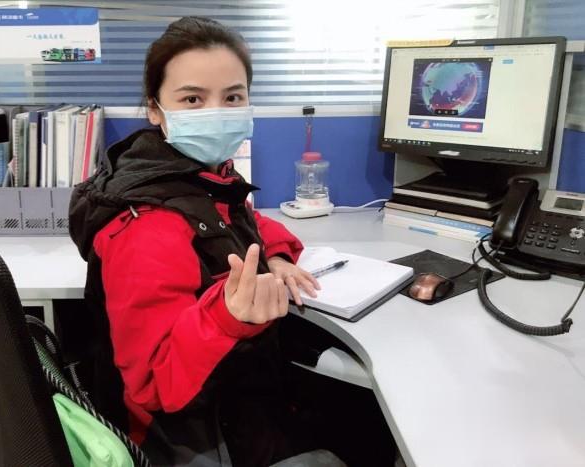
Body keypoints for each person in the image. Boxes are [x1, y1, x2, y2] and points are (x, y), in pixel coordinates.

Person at [70, 16, 392, 467]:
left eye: (233, 97)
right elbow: (153, 385)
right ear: (155, 109)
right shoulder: (148, 226)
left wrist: (275, 256)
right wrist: (225, 317)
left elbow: (241, 218)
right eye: (192, 99)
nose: (216, 112)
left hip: (240, 395)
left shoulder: (195, 173)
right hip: (198, 435)